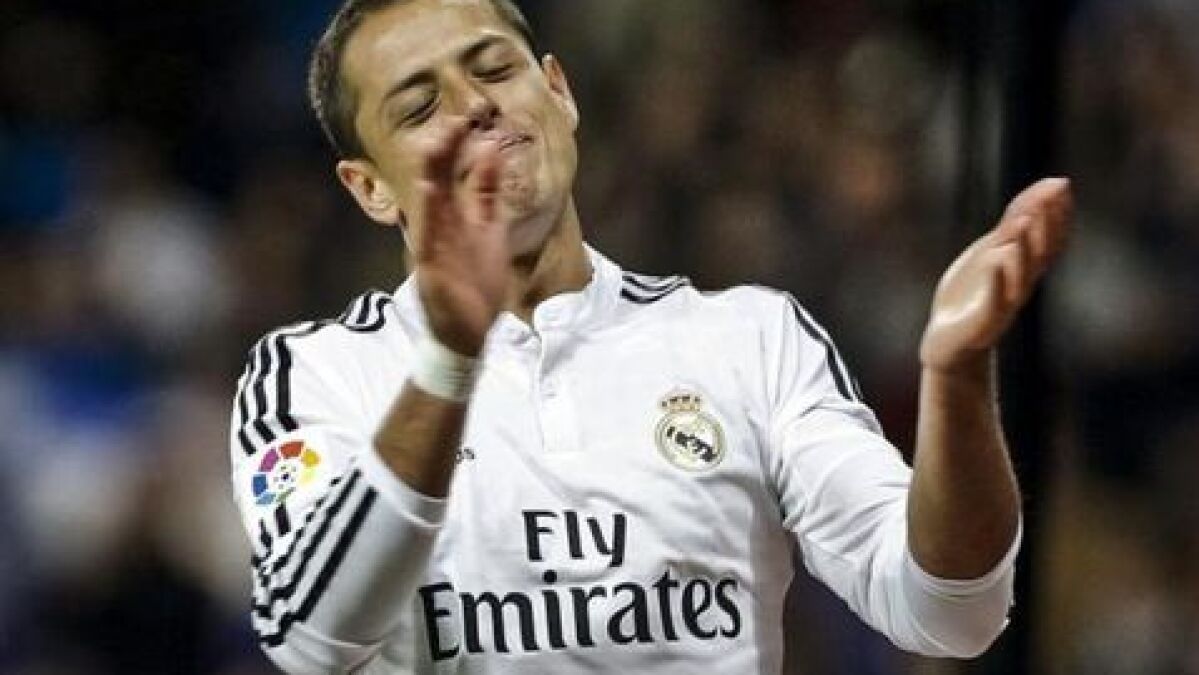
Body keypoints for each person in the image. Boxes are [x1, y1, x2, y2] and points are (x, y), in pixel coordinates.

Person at [229, 0, 1073, 672]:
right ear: (370, 188)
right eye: (420, 107)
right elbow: (309, 634)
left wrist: (956, 375)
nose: (475, 106)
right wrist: (449, 360)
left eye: (494, 69)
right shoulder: (314, 374)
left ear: (558, 92)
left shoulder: (748, 339)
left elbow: (952, 609)